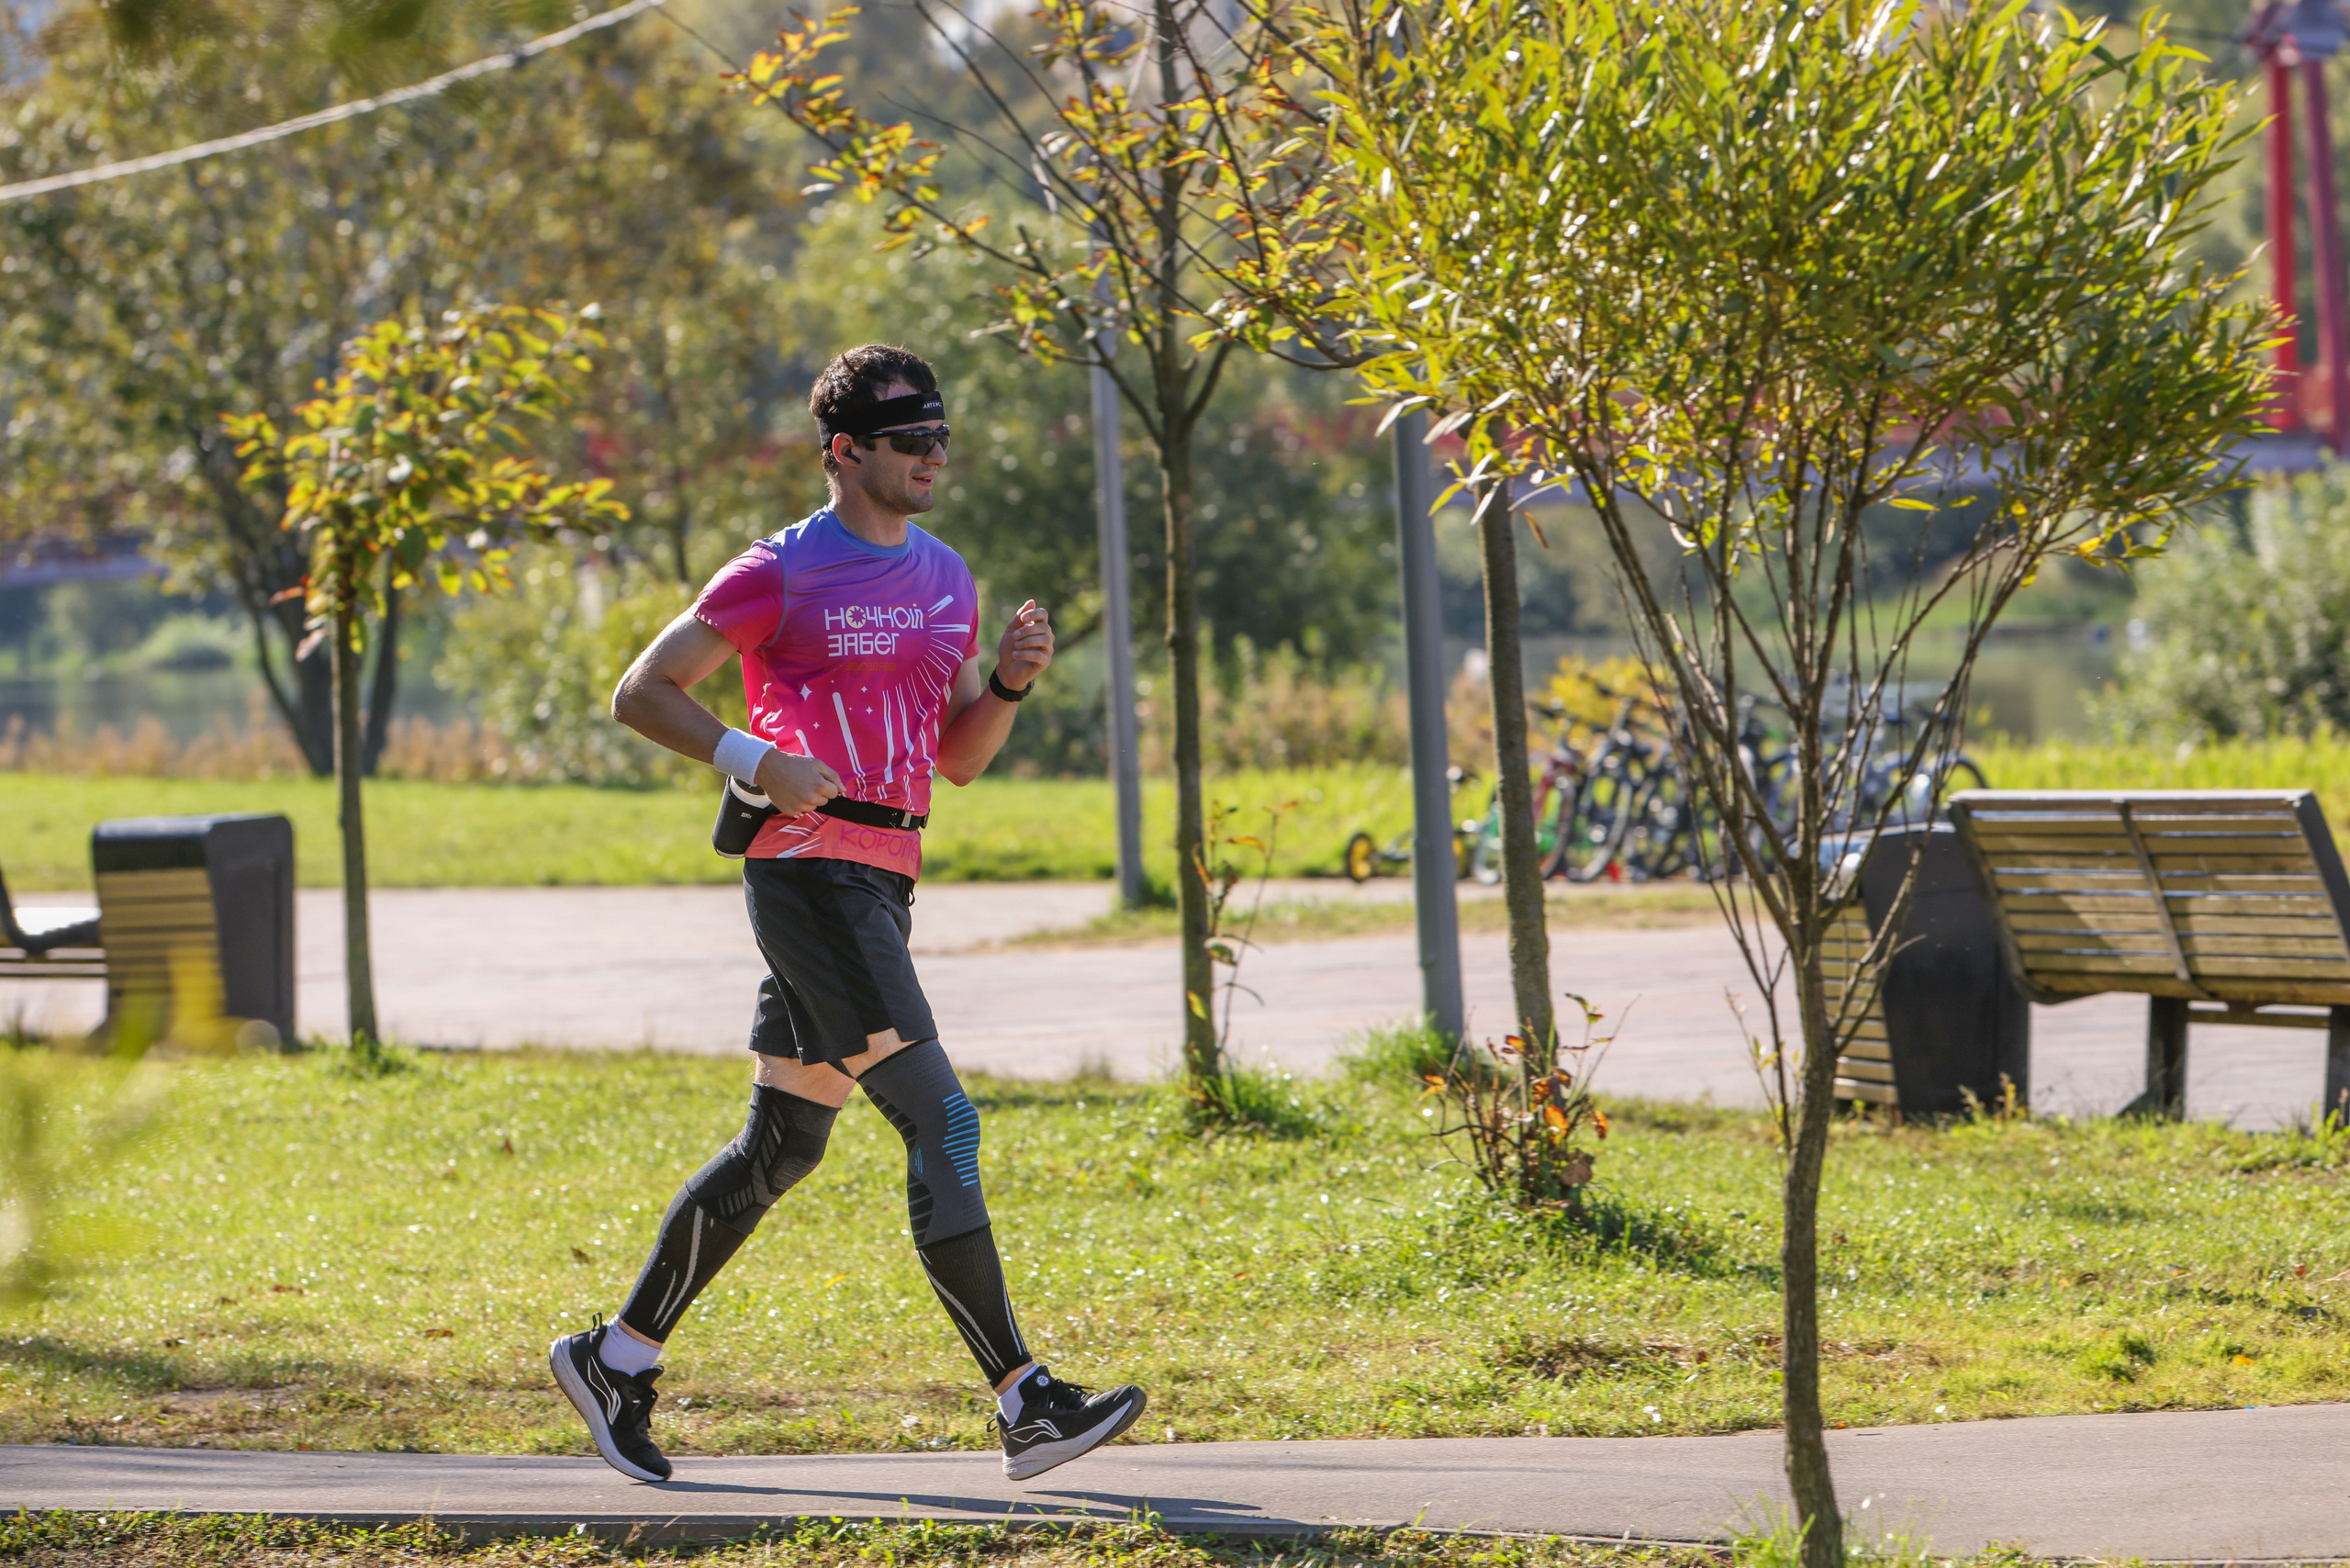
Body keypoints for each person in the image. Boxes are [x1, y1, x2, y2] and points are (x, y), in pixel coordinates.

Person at [549, 343, 1147, 1485]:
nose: (934, 456)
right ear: (846, 451)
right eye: (911, 439)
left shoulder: (947, 576)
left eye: (941, 437)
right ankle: (1025, 1401)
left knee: (783, 1145)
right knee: (945, 1123)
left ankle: (614, 1357)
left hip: (885, 875)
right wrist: (755, 759)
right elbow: (642, 692)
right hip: (809, 873)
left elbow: (959, 758)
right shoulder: (777, 569)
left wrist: (1011, 682)